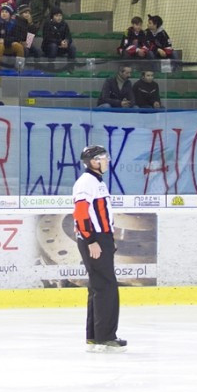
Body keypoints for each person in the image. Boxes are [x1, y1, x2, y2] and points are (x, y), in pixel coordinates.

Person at [73, 145, 126, 352]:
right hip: (93, 239)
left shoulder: (96, 181)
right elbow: (81, 212)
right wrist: (91, 240)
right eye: (104, 157)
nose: (107, 160)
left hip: (100, 238)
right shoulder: (86, 182)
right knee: (106, 287)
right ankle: (105, 336)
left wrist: (107, 238)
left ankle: (95, 336)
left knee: (98, 285)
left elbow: (100, 214)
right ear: (93, 161)